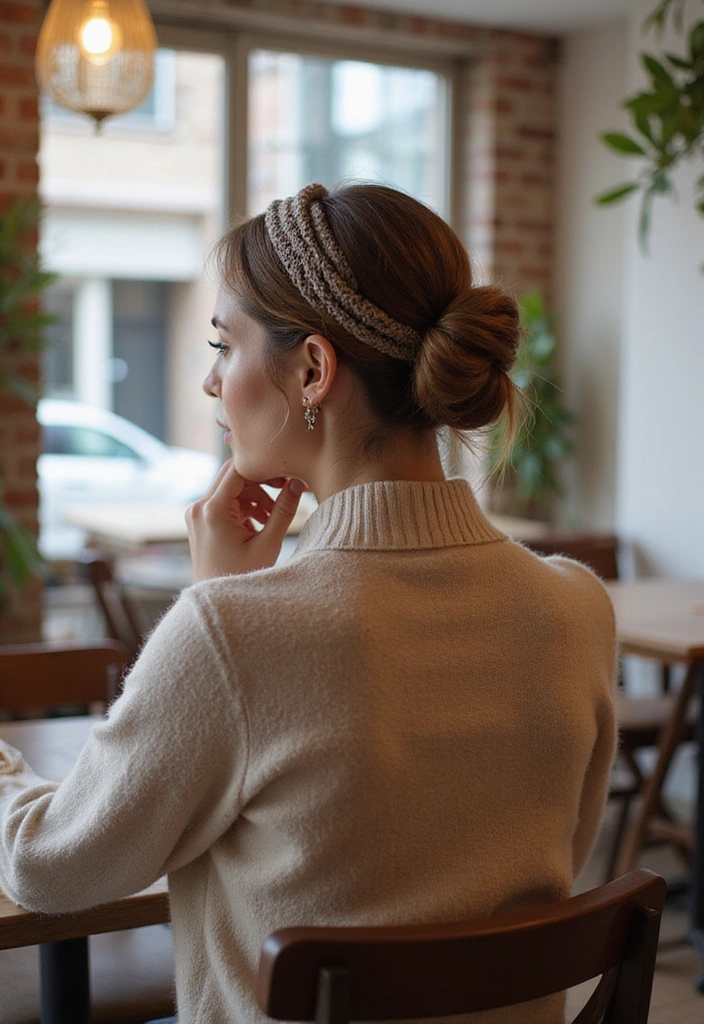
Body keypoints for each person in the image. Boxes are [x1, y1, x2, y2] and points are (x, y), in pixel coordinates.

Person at [0, 183, 616, 1024]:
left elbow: (50, 868)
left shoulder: (233, 634)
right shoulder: (577, 610)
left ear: (314, 370)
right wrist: (232, 606)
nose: (215, 384)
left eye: (224, 346)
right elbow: (543, 867)